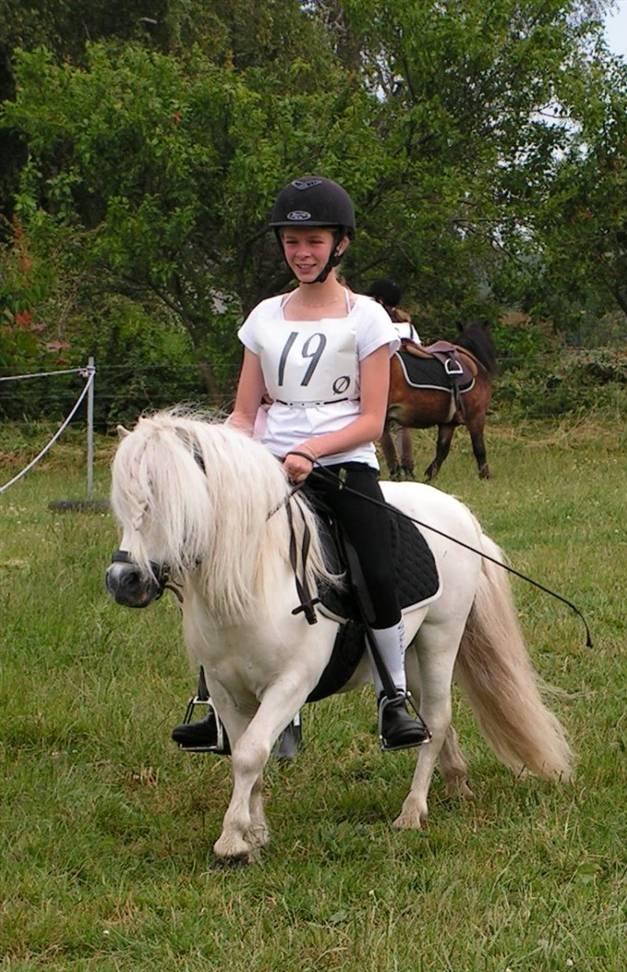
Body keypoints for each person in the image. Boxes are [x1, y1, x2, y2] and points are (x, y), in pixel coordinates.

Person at [173, 175, 429, 752]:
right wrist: (216, 451)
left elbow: (371, 418)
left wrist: (311, 450)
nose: (302, 253)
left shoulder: (367, 319)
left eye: (313, 241)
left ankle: (393, 693)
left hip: (342, 463)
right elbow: (244, 412)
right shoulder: (264, 316)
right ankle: (213, 701)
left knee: (376, 563)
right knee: (210, 564)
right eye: (292, 241)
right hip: (266, 467)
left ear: (339, 244)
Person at [367, 278, 420, 480]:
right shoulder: (407, 327)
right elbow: (418, 351)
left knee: (381, 427)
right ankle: (408, 466)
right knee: (401, 425)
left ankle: (393, 469)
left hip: (377, 380)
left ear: (379, 300)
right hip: (408, 384)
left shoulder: (371, 324)